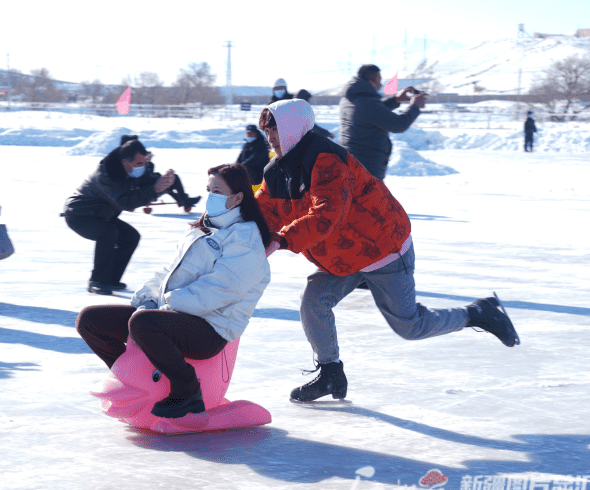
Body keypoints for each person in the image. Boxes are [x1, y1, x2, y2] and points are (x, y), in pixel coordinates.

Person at [255, 99, 519, 402]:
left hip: (382, 247)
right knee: (313, 300)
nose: (270, 137)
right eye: (267, 130)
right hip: (344, 255)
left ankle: (478, 313)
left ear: (294, 127)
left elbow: (328, 214)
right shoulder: (278, 170)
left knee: (411, 326)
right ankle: (330, 373)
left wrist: (282, 239)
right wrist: (218, 222)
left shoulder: (326, 160)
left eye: (275, 129)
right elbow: (263, 209)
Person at [77, 163, 272, 418]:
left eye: (217, 191)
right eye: (208, 190)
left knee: (144, 324)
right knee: (90, 320)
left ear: (237, 198)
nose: (210, 196)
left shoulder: (245, 238)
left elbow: (221, 289)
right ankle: (132, 379)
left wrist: (168, 305)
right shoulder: (201, 228)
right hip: (172, 315)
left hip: (211, 329)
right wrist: (147, 298)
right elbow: (169, 271)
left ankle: (188, 389)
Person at [64, 138, 176, 295]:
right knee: (108, 232)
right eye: (139, 164)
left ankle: (111, 279)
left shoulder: (130, 171)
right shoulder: (106, 175)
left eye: (144, 162)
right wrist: (154, 190)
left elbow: (146, 186)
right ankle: (97, 281)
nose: (142, 167)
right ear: (125, 162)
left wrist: (164, 184)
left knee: (131, 237)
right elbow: (124, 202)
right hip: (79, 215)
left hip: (102, 215)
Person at [338, 64, 426, 181]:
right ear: (371, 82)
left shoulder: (349, 98)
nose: (381, 84)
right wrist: (415, 106)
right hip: (367, 168)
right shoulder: (368, 103)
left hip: (351, 163)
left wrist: (395, 100)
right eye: (379, 80)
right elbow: (399, 125)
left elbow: (370, 114)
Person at [119, 134, 200, 209]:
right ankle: (184, 201)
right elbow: (139, 178)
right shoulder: (128, 161)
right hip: (146, 189)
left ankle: (182, 200)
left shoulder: (128, 157)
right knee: (173, 179)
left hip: (147, 184)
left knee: (169, 180)